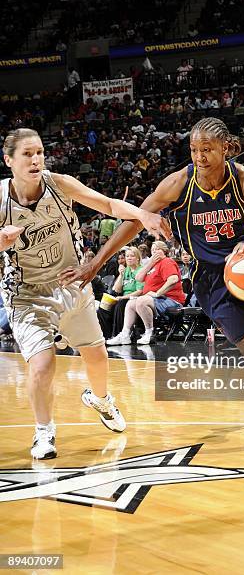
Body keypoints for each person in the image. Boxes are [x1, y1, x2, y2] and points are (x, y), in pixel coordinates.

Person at [61, 117, 244, 444]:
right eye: (194, 150)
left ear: (225, 148)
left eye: (207, 149)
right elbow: (134, 222)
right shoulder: (178, 184)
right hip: (210, 280)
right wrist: (96, 262)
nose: (199, 157)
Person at [0, 128, 170, 460]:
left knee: (97, 358)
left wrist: (141, 213)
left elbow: (106, 204)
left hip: (71, 285)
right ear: (9, 161)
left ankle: (101, 399)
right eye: (27, 154)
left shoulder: (59, 184)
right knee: (42, 364)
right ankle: (44, 432)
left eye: (40, 152)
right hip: (27, 294)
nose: (36, 160)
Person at [106, 241, 185, 345]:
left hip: (170, 300)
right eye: (152, 250)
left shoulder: (167, 262)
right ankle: (125, 334)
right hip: (156, 300)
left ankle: (149, 333)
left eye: (157, 249)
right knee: (130, 304)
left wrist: (158, 293)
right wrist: (150, 263)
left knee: (141, 301)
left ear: (165, 251)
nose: (154, 252)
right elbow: (138, 278)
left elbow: (173, 279)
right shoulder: (153, 265)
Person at [97, 247, 144, 339]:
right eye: (127, 256)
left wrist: (123, 297)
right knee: (103, 308)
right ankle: (106, 335)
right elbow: (116, 290)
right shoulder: (126, 270)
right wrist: (121, 275)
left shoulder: (141, 270)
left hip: (135, 298)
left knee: (120, 304)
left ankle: (118, 335)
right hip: (122, 296)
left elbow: (140, 291)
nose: (129, 258)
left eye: (132, 256)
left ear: (138, 258)